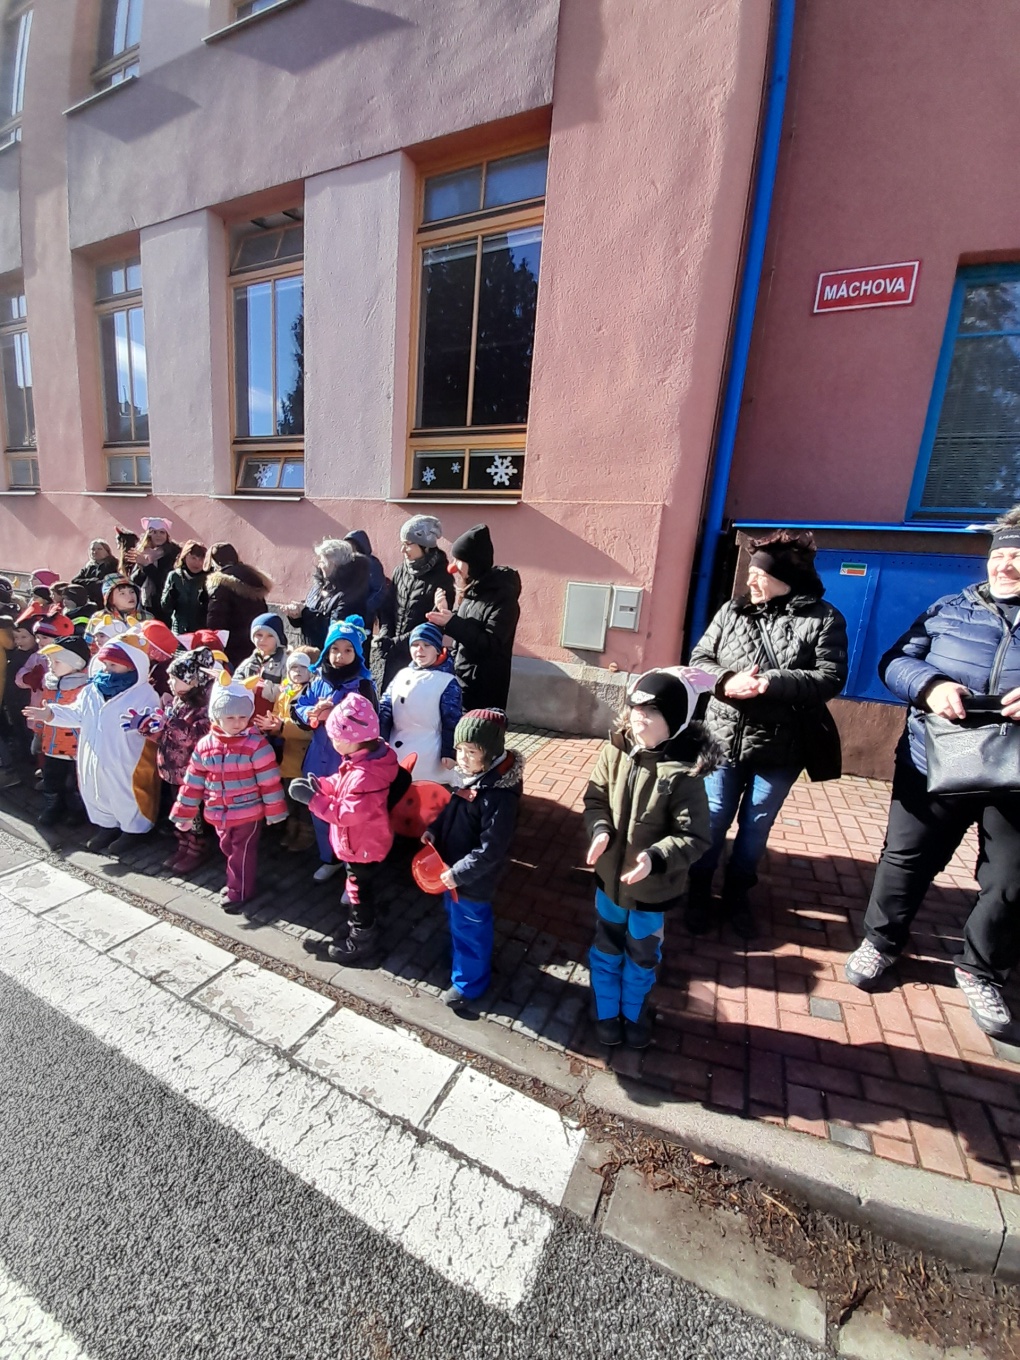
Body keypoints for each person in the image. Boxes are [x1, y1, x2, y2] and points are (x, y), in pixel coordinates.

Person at [844, 509, 1020, 1039]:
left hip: (1016, 774)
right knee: (906, 859)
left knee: (1010, 880)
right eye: (999, 554)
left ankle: (981, 970)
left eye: (1017, 556)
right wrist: (930, 686)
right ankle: (881, 941)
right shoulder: (950, 607)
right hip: (934, 759)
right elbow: (896, 661)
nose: (1005, 565)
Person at [686, 531, 848, 938]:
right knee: (712, 816)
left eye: (760, 575)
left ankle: (737, 894)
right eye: (750, 573)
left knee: (756, 823)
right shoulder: (732, 610)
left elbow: (830, 677)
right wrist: (726, 680)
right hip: (721, 737)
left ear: (786, 579)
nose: (750, 581)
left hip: (782, 744)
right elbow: (700, 658)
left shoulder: (824, 618)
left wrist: (769, 683)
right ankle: (698, 890)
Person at [583, 671, 718, 1048]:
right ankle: (605, 1010)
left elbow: (694, 837)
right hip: (609, 882)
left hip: (651, 891)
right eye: (635, 707)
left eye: (651, 710)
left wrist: (655, 858)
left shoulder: (684, 773)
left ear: (673, 719)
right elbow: (595, 799)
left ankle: (634, 1011)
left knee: (642, 956)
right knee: (606, 947)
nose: (638, 715)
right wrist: (600, 830)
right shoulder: (614, 750)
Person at [24, 632, 161, 854]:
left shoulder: (145, 694)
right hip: (95, 755)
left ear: (133, 666)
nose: (107, 669)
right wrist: (50, 714)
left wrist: (147, 724)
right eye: (105, 664)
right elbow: (78, 713)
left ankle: (134, 830)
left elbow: (153, 726)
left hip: (127, 759)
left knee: (126, 793)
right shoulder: (93, 689)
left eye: (114, 665)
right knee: (97, 790)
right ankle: (107, 825)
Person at [425, 708, 523, 1008]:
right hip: (452, 871)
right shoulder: (472, 778)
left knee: (471, 928)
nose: (463, 758)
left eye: (471, 751)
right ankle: (460, 959)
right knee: (458, 920)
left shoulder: (499, 796)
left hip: (472, 879)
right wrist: (434, 830)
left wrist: (459, 874)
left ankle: (469, 985)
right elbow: (450, 810)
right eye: (459, 750)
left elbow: (490, 849)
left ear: (490, 753)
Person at [293, 693, 399, 965]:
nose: (332, 741)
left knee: (359, 892)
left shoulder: (365, 775)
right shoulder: (363, 759)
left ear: (351, 739)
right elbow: (343, 784)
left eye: (334, 737)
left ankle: (362, 938)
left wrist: (313, 800)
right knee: (356, 888)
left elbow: (346, 813)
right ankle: (359, 925)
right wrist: (322, 785)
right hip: (361, 842)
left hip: (361, 846)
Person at [171, 674, 287, 911]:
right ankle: (238, 882)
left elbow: (269, 781)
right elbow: (193, 782)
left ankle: (239, 891)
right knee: (227, 847)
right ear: (216, 716)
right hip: (218, 811)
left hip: (248, 811)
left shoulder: (256, 745)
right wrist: (185, 812)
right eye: (230, 717)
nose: (237, 723)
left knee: (241, 852)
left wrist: (274, 810)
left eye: (243, 717)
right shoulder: (205, 745)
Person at [293, 615, 377, 882]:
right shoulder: (317, 678)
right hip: (318, 757)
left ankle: (353, 867)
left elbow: (371, 723)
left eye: (348, 650)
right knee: (320, 811)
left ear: (357, 653)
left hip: (349, 762)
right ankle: (329, 858)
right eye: (335, 649)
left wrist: (335, 715)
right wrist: (311, 714)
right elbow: (297, 706)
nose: (340, 656)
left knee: (349, 816)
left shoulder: (363, 684)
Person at [426, 523, 521, 712]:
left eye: (459, 560)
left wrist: (452, 622)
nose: (453, 567)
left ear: (475, 563)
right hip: (461, 682)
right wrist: (446, 612)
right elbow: (466, 628)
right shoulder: (471, 591)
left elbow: (490, 644)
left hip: (484, 690)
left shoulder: (504, 599)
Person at [143, 646, 215, 873]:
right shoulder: (178, 701)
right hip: (173, 770)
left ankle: (197, 848)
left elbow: (195, 738)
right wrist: (150, 729)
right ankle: (183, 844)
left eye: (175, 678)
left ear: (193, 680)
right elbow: (168, 734)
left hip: (190, 775)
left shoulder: (204, 709)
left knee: (192, 813)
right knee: (178, 810)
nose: (170, 682)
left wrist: (168, 725)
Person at [376, 515, 454, 692]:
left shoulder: (442, 578)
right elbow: (387, 607)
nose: (403, 550)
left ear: (424, 546)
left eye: (408, 544)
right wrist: (385, 635)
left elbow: (434, 623)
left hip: (421, 657)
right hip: (394, 655)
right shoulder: (400, 570)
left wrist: (398, 643)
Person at [254, 644, 319, 852]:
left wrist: (282, 726)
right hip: (287, 753)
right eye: (293, 668)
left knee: (304, 798)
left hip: (304, 756)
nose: (297, 672)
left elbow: (309, 728)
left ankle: (306, 833)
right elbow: (277, 713)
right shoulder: (285, 691)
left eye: (302, 668)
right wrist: (272, 725)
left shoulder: (313, 694)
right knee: (289, 795)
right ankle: (291, 829)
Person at [379, 622, 462, 785]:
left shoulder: (447, 681)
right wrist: (381, 739)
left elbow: (452, 720)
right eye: (415, 645)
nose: (420, 650)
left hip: (429, 756)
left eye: (427, 645)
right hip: (395, 752)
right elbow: (385, 708)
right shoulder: (402, 674)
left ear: (437, 649)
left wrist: (449, 752)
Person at [35, 635, 91, 827]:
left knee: (74, 783)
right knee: (52, 779)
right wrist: (38, 733)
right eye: (50, 661)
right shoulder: (50, 684)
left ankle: (77, 811)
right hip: (51, 745)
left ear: (75, 663)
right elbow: (42, 710)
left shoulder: (84, 688)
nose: (51, 665)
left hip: (74, 748)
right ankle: (53, 807)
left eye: (56, 661)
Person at [286, 538, 370, 652]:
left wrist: (305, 612)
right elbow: (310, 613)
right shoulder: (319, 585)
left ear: (333, 564)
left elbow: (336, 627)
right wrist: (296, 614)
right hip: (310, 653)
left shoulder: (351, 593)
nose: (319, 565)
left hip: (332, 656)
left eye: (322, 561)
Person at [203, 543, 271, 669]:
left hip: (231, 644)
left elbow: (215, 617)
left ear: (215, 561)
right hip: (254, 638)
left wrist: (213, 642)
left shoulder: (220, 582)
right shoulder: (253, 577)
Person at [129, 517, 181, 622]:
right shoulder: (143, 552)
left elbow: (164, 581)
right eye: (154, 532)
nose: (158, 535)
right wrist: (141, 567)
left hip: (165, 605)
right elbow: (135, 581)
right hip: (147, 605)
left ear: (167, 535)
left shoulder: (173, 553)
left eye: (162, 532)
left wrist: (147, 565)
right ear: (149, 534)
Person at [234, 613, 289, 708]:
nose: (263, 640)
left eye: (270, 636)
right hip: (248, 710)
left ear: (278, 638)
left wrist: (261, 688)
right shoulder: (249, 662)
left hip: (273, 711)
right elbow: (235, 682)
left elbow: (288, 691)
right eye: (259, 635)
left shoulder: (285, 663)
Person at [160, 540, 209, 635]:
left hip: (201, 632)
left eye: (201, 559)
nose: (197, 563)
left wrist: (205, 602)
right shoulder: (174, 576)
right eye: (193, 558)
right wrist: (171, 596)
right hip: (179, 631)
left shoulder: (209, 578)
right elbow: (165, 607)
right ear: (185, 557)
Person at [344, 530, 389, 631]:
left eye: (351, 546)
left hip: (364, 618)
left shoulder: (372, 564)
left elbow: (379, 590)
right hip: (346, 616)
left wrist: (364, 608)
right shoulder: (346, 564)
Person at [85, 575, 144, 649]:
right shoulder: (98, 618)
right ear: (110, 599)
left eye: (132, 592)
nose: (130, 596)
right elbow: (89, 646)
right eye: (122, 593)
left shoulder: (146, 617)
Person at [72, 539, 119, 606]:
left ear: (107, 551)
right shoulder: (89, 567)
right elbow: (75, 581)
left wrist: (88, 584)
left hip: (108, 602)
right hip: (92, 603)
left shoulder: (114, 564)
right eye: (93, 549)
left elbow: (106, 583)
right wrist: (93, 581)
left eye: (99, 549)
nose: (95, 552)